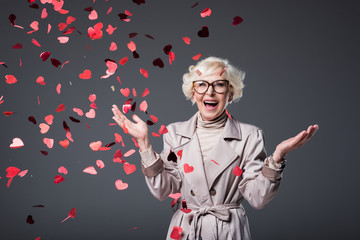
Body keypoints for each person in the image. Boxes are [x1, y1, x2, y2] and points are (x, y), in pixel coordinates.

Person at [111, 56, 319, 240]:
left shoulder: (250, 135)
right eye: (201, 85)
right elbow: (162, 190)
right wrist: (144, 143)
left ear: (230, 94)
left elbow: (258, 198)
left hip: (229, 231)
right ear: (194, 93)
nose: (209, 92)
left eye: (219, 85)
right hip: (186, 231)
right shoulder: (174, 133)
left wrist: (277, 156)